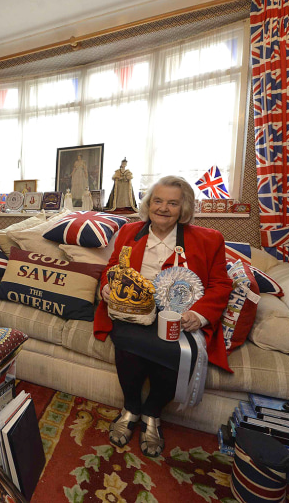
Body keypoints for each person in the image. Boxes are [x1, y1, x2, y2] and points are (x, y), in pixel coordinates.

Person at [94, 176, 232, 457]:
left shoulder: (209, 239)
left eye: (173, 203)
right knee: (126, 340)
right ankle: (131, 408)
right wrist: (108, 286)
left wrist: (200, 314)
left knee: (173, 349)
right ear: (148, 204)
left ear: (184, 209)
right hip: (132, 310)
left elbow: (221, 284)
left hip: (179, 315)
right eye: (158, 201)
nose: (163, 208)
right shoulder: (129, 232)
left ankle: (152, 413)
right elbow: (112, 268)